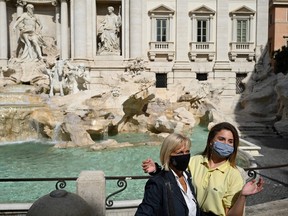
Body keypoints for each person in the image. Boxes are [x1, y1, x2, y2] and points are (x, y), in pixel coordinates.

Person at [142, 122, 264, 216]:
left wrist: (242, 196)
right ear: (211, 141)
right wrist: (157, 170)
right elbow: (176, 177)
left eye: (230, 141)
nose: (226, 144)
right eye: (221, 139)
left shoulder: (234, 174)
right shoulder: (194, 161)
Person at [135, 133, 201, 216]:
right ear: (168, 155)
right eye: (180, 153)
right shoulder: (157, 183)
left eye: (187, 151)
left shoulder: (187, 177)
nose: (184, 156)